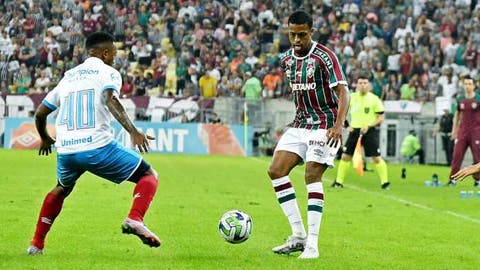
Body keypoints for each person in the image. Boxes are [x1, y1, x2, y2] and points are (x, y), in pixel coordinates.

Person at [27, 32, 161, 255]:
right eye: (114, 55)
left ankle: (36, 244)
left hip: (67, 150)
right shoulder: (108, 72)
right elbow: (111, 98)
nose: (115, 59)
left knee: (61, 188)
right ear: (105, 53)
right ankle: (134, 218)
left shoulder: (68, 76)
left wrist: (44, 137)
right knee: (149, 176)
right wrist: (133, 131)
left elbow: (40, 114)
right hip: (97, 147)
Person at [267, 10, 349, 259]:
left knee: (312, 174)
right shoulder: (286, 60)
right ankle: (298, 235)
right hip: (300, 123)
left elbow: (343, 92)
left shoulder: (325, 57)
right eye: (292, 34)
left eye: (302, 35)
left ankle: (312, 244)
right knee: (276, 170)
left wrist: (338, 125)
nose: (296, 40)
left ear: (311, 32)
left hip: (325, 125)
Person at [332, 73, 390, 189]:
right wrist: (347, 126)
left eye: (365, 83)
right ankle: (338, 182)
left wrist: (369, 125)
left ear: (369, 85)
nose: (363, 85)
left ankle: (385, 183)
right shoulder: (351, 97)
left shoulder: (374, 99)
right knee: (345, 157)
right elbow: (340, 112)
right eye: (360, 83)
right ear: (356, 85)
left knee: (376, 158)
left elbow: (381, 117)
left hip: (369, 131)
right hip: (355, 131)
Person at [446, 75, 480, 187]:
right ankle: (453, 179)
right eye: (465, 84)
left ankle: (478, 180)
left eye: (470, 84)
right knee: (457, 155)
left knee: (477, 156)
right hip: (463, 131)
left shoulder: (478, 98)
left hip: (476, 131)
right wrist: (454, 130)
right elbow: (457, 115)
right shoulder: (460, 99)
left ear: (474, 86)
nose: (467, 86)